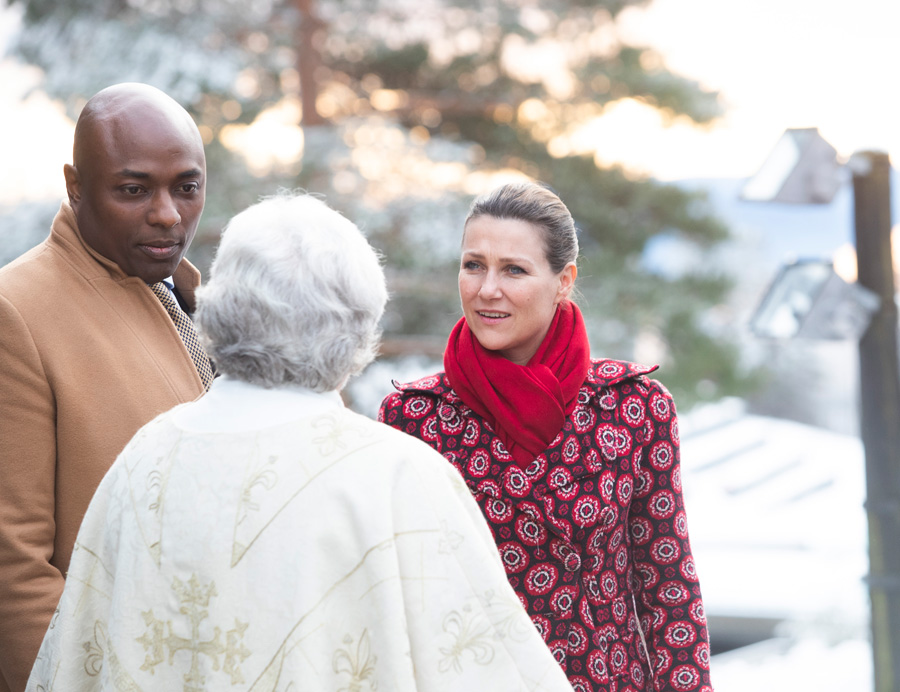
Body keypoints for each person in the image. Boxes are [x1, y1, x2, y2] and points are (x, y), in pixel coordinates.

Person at [25, 191, 574, 692]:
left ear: (218, 306)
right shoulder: (396, 475)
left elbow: (75, 658)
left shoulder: (144, 457)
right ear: (359, 324)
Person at [379, 181, 714, 692]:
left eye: (514, 269)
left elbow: (667, 585)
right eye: (474, 265)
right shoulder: (413, 418)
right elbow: (389, 594)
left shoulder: (633, 407)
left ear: (564, 281)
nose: (487, 288)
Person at [0, 82, 213, 692]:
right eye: (133, 189)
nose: (168, 212)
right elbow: (14, 567)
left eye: (187, 187)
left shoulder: (191, 297)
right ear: (74, 186)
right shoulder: (18, 311)